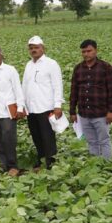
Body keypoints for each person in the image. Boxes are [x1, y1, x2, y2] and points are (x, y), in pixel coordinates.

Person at [69, 39, 112, 159]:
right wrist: (72, 111)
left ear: (96, 51)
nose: (86, 54)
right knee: (91, 142)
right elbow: (74, 90)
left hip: (101, 113)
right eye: (83, 52)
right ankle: (95, 165)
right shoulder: (78, 69)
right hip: (84, 114)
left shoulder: (106, 67)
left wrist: (111, 111)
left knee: (104, 141)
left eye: (89, 51)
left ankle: (107, 165)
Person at [22, 36, 64, 171]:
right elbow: (25, 86)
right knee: (36, 136)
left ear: (43, 48)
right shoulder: (29, 65)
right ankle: (40, 159)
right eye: (31, 48)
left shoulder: (51, 64)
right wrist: (22, 105)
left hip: (46, 106)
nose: (33, 50)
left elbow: (58, 86)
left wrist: (58, 105)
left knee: (48, 137)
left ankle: (50, 162)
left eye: (36, 47)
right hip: (31, 108)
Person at [0, 47, 26, 176]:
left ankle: (13, 166)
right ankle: (3, 165)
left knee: (9, 139)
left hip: (7, 112)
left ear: (2, 56)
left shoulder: (10, 70)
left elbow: (18, 89)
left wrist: (20, 108)